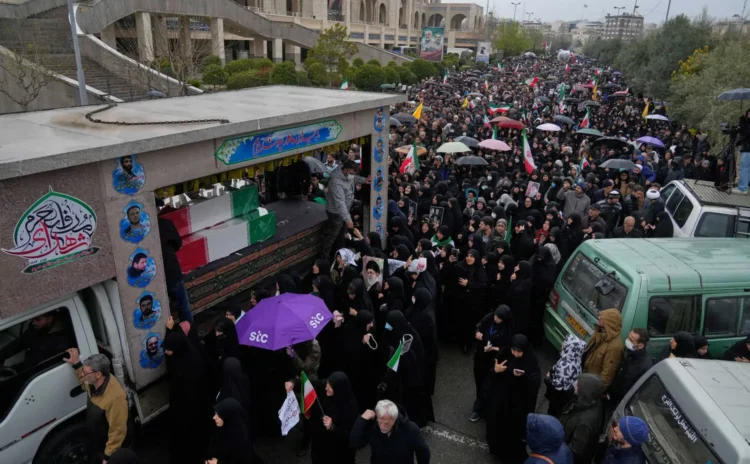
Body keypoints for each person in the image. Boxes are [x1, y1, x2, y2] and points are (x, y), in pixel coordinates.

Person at [64, 348, 131, 463]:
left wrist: (107, 457)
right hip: (100, 439)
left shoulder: (115, 399)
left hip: (114, 448)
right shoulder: (93, 382)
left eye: (85, 373)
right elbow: (84, 383)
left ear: (98, 374)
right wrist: (76, 364)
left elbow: (117, 432)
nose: (82, 374)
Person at [486, 334, 541, 461]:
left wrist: (523, 376)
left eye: (519, 351)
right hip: (502, 400)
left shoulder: (531, 361)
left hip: (518, 406)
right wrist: (497, 371)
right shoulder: (505, 354)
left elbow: (534, 380)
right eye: (513, 350)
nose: (515, 354)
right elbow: (491, 373)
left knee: (513, 433)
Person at [163, 317, 207, 464]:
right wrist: (169, 331)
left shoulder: (191, 362)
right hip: (183, 406)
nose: (167, 352)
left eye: (169, 349)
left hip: (190, 408)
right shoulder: (183, 353)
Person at [350, 399, 431, 464]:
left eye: (387, 423)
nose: (382, 427)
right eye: (380, 422)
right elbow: (355, 443)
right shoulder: (372, 425)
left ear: (395, 418)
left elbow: (423, 452)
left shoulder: (410, 429)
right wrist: (361, 420)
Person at [320, 160, 371, 260]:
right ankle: (324, 259)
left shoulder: (348, 175)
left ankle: (339, 256)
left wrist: (364, 180)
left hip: (345, 211)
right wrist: (348, 219)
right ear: (346, 170)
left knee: (341, 236)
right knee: (331, 237)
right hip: (335, 213)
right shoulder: (336, 181)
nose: (353, 175)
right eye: (351, 173)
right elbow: (340, 202)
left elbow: (354, 179)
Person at [471, 305, 513, 422]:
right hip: (481, 357)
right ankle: (478, 407)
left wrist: (494, 348)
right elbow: (479, 325)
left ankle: (488, 409)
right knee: (480, 383)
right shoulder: (489, 319)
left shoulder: (508, 329)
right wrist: (477, 332)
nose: (496, 319)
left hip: (495, 361)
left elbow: (508, 348)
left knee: (490, 385)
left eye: (499, 318)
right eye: (495, 316)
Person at [306, 372, 359, 464]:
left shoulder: (350, 408)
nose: (326, 387)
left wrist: (333, 427)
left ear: (338, 390)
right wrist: (293, 383)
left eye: (330, 387)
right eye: (327, 383)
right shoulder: (326, 386)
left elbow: (351, 435)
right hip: (320, 445)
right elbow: (310, 384)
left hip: (337, 451)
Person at [0, 310, 73, 369]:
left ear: (50, 319)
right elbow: (20, 343)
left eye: (38, 319)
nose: (33, 322)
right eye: (33, 319)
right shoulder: (36, 329)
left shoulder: (61, 340)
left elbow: (43, 367)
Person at [558, 374, 604, 464]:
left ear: (585, 391)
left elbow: (575, 449)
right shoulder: (590, 401)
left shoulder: (585, 423)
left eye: (578, 385)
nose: (574, 384)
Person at [158, 216, 193, 323]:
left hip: (154, 275)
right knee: (183, 306)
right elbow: (178, 244)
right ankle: (189, 331)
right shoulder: (165, 223)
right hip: (171, 272)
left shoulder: (140, 229)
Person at [545, 334, 586, 418]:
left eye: (565, 343)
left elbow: (557, 387)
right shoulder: (576, 361)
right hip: (566, 400)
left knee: (552, 415)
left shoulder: (565, 365)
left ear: (570, 348)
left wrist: (548, 379)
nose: (563, 344)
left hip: (558, 401)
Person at [582, 309, 623, 389]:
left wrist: (593, 390)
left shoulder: (615, 347)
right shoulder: (600, 331)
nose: (599, 318)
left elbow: (606, 377)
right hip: (585, 376)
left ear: (609, 323)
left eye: (602, 318)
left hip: (591, 385)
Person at [610, 328, 651, 404]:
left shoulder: (644, 366)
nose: (627, 341)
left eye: (631, 340)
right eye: (628, 337)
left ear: (640, 345)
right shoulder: (629, 351)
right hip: (614, 393)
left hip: (622, 400)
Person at [206, 398, 253, 464]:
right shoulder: (222, 430)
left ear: (228, 417)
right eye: (215, 413)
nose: (214, 417)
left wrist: (218, 463)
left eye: (219, 415)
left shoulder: (241, 439)